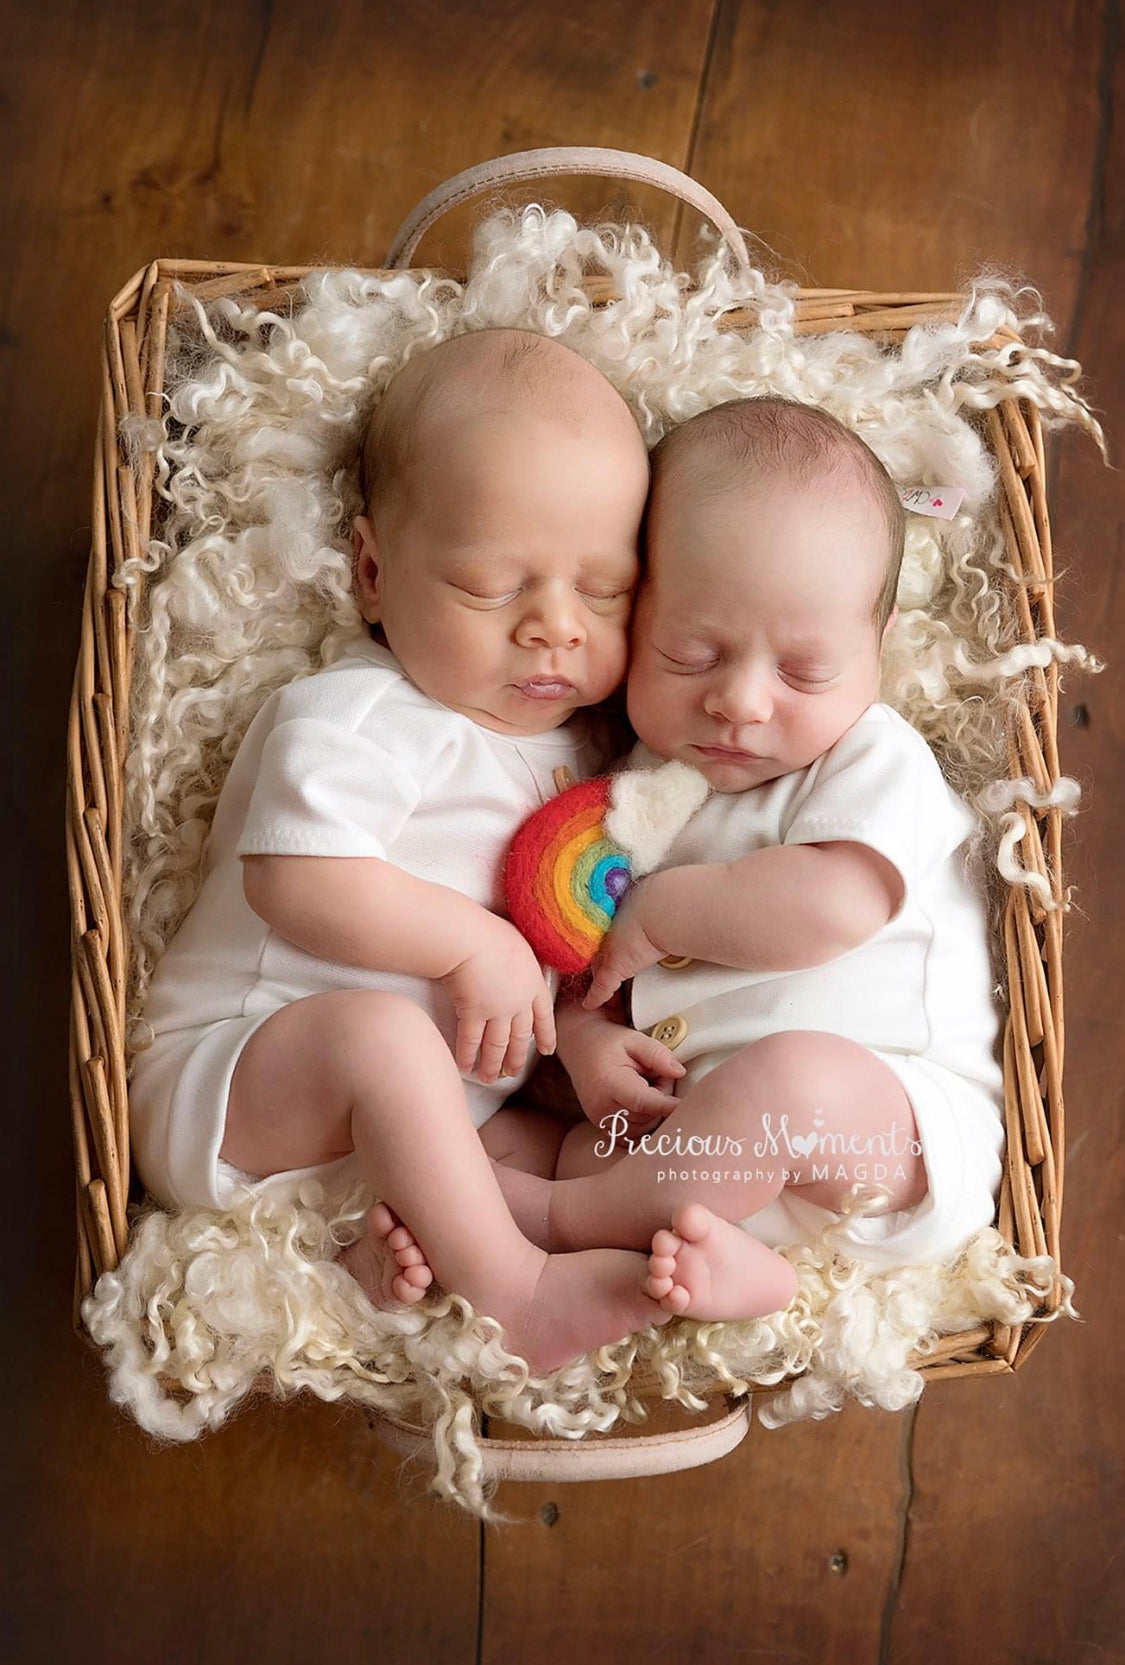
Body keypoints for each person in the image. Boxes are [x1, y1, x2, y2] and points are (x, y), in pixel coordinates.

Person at [127, 326, 690, 1378]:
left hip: (404, 1141)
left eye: (603, 592)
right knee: (382, 1042)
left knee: (542, 1158)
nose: (554, 630)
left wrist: (578, 1040)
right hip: (237, 1082)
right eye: (491, 586)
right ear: (376, 573)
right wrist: (469, 945)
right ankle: (517, 1298)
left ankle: (373, 1261)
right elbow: (294, 877)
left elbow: (566, 936)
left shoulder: (591, 763)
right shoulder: (362, 713)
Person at [476, 394, 1007, 1322]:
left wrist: (663, 915)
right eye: (689, 654)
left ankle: (564, 1220)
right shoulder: (633, 792)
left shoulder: (869, 758)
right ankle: (735, 1277)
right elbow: (583, 965)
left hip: (883, 1139)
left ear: (873, 654)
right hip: (699, 1158)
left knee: (792, 1083)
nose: (741, 701)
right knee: (524, 1137)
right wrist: (595, 1045)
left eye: (803, 672)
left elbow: (834, 905)